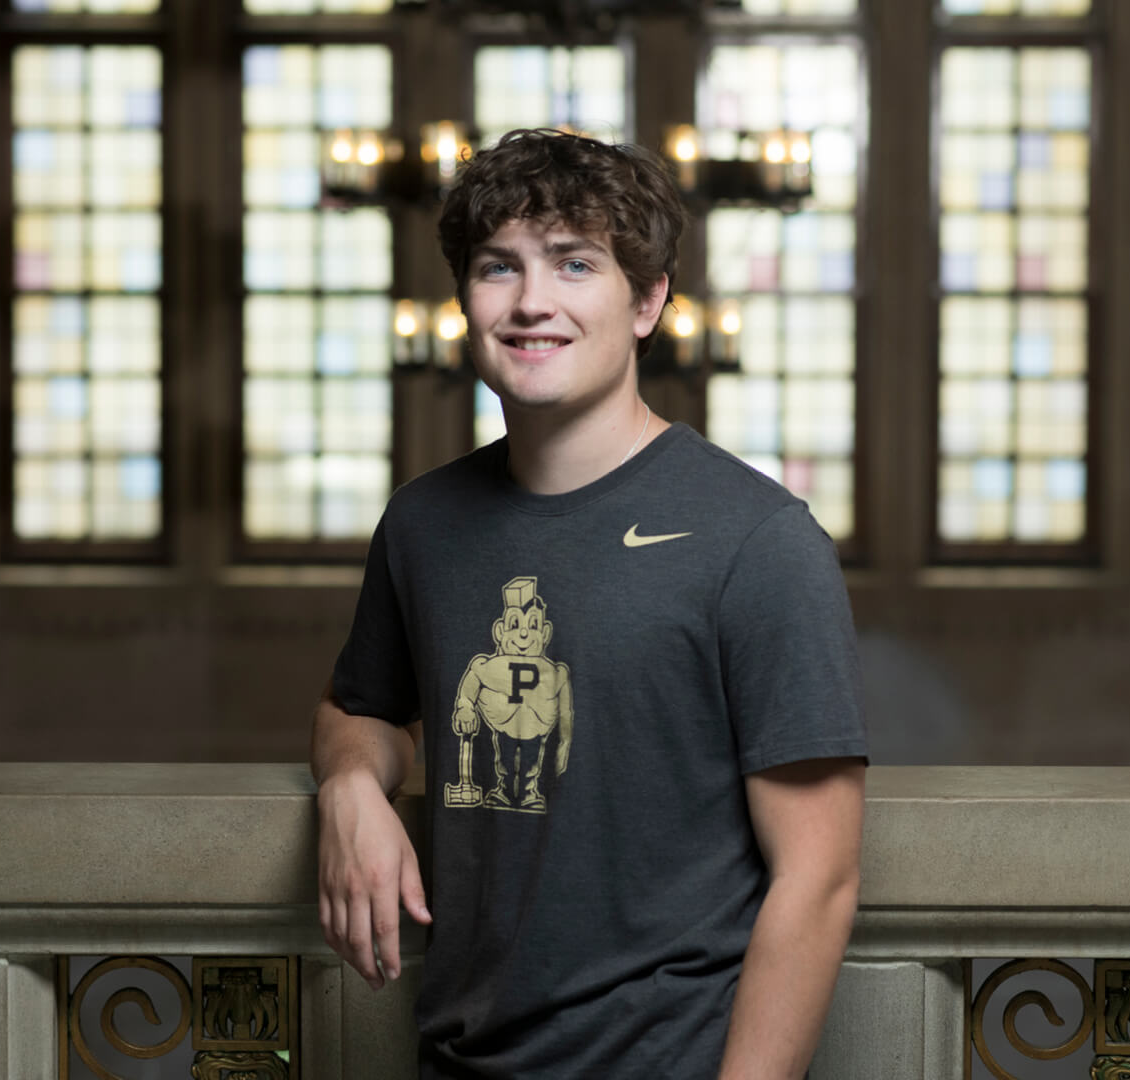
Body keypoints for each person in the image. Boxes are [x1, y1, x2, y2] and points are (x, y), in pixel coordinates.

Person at [311, 128, 868, 1079]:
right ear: (465, 298)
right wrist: (350, 786)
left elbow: (817, 880)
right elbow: (361, 708)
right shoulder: (423, 524)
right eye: (499, 268)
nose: (533, 302)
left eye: (575, 264)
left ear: (647, 299)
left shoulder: (759, 541)